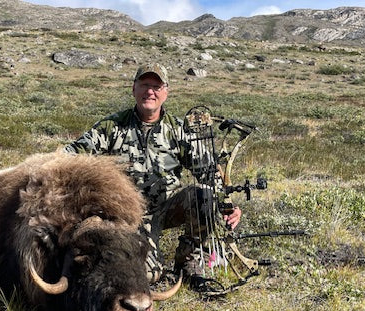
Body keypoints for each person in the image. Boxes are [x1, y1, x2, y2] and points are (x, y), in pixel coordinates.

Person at [65, 63, 241, 289]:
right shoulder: (111, 127)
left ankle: (188, 260)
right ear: (134, 89)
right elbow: (70, 155)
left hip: (166, 208)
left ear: (165, 92)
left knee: (204, 197)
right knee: (146, 276)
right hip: (126, 217)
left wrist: (229, 205)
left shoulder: (178, 130)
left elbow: (208, 170)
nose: (150, 91)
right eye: (145, 85)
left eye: (156, 86)